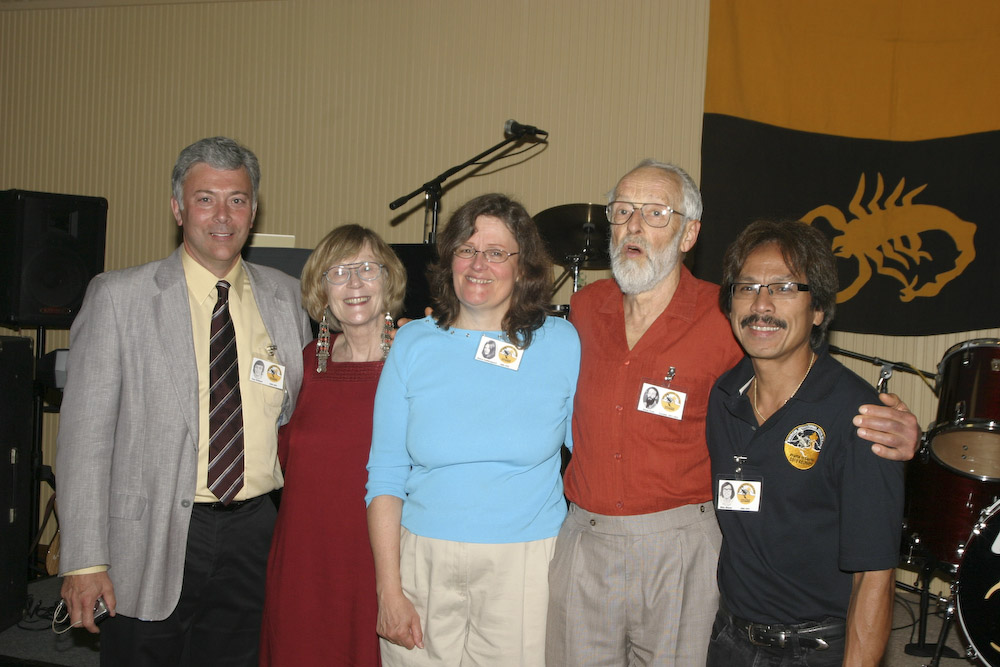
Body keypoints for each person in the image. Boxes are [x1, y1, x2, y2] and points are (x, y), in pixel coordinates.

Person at [545, 160, 920, 666]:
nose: (634, 225)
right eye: (623, 211)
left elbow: (806, 372)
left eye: (656, 213)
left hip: (680, 545)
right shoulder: (583, 308)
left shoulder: (725, 318)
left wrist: (899, 427)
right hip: (587, 540)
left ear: (688, 233)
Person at [56, 137, 312, 666]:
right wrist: (83, 560)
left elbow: (301, 414)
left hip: (255, 532)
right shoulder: (119, 299)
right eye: (205, 198)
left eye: (237, 199)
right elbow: (84, 441)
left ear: (254, 210)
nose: (223, 215)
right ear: (177, 208)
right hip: (151, 534)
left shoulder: (287, 297)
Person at [366, 193, 580, 666]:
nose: (478, 264)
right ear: (449, 260)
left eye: (497, 252)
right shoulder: (412, 343)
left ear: (523, 267)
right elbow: (384, 474)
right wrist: (388, 589)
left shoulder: (561, 343)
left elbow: (589, 450)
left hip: (525, 563)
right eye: (466, 249)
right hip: (422, 560)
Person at [706, 219, 903, 665]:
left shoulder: (861, 417)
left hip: (814, 651)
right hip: (730, 641)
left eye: (783, 287)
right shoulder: (723, 399)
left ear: (818, 310)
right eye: (747, 287)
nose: (761, 305)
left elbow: (874, 577)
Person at [260, 224, 405, 666]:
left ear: (390, 280)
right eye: (338, 272)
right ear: (321, 290)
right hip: (303, 561)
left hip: (380, 562)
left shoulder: (414, 359)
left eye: (367, 269)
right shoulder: (302, 364)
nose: (355, 283)